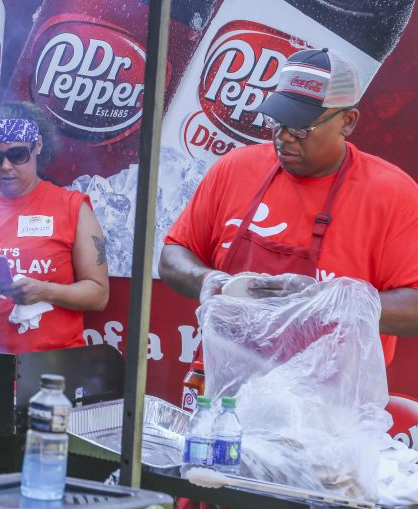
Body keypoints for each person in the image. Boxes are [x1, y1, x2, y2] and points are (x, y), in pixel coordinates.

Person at [158, 48, 418, 367]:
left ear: (347, 122)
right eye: (276, 122)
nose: (282, 138)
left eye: (299, 129)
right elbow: (172, 256)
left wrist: (333, 302)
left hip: (327, 402)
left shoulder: (393, 195)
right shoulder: (235, 169)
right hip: (221, 386)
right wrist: (209, 281)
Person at [0, 102, 109, 353]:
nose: (6, 166)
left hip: (51, 365)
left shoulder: (73, 207)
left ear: (37, 146)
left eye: (17, 155)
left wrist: (45, 291)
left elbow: (99, 294)